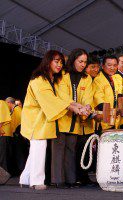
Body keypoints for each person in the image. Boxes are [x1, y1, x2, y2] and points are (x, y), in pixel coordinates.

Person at [19, 50, 87, 190]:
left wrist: (76, 105)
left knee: (35, 150)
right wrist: (73, 108)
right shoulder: (39, 80)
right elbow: (50, 101)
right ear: (47, 61)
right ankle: (37, 181)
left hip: (42, 121)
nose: (59, 65)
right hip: (35, 121)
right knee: (39, 148)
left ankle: (25, 178)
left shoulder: (51, 79)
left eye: (61, 62)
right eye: (56, 61)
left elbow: (59, 99)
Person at [51, 48, 94, 188]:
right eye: (80, 61)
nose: (83, 64)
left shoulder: (87, 78)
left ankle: (70, 179)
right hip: (61, 117)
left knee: (71, 149)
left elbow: (88, 96)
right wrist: (78, 107)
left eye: (85, 62)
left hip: (76, 119)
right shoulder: (62, 74)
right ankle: (57, 180)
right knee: (58, 150)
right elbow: (63, 96)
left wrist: (87, 106)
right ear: (73, 60)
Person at [93, 55, 123, 130]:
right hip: (103, 121)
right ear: (103, 66)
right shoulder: (98, 80)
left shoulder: (117, 77)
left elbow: (120, 93)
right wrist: (114, 111)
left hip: (115, 121)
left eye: (115, 65)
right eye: (109, 65)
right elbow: (99, 102)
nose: (112, 68)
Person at [0, 99, 12, 184]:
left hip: (3, 133)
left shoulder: (1, 103)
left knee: (2, 155)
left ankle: (3, 177)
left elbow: (2, 119)